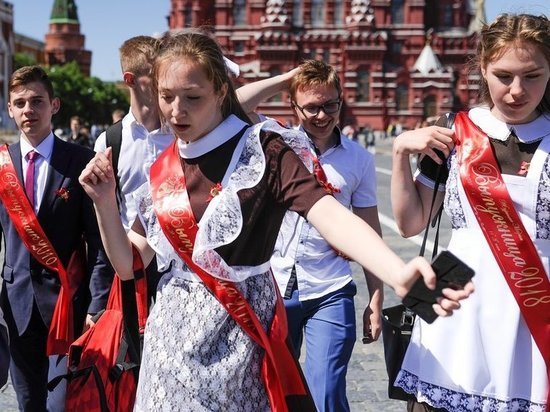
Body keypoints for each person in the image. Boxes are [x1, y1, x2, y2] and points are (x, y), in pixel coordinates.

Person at [79, 31, 473, 411]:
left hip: (238, 336)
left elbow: (329, 215)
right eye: (167, 97)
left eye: (192, 97)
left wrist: (398, 272)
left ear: (221, 91)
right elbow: (128, 262)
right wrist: (103, 204)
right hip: (170, 340)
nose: (176, 111)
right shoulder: (164, 164)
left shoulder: (261, 150)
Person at [390, 13, 550, 412]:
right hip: (456, 297)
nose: (516, 90)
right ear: (482, 68)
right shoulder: (454, 130)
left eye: (532, 76)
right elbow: (411, 224)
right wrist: (398, 154)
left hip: (535, 301)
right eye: (503, 75)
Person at [237, 59, 383, 411]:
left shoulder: (358, 159)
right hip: (274, 287)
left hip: (330, 288)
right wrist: (290, 78)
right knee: (272, 391)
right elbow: (233, 104)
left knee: (327, 391)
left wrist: (376, 297)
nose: (321, 115)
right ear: (294, 106)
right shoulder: (275, 141)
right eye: (311, 107)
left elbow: (369, 231)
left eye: (330, 105)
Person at [0, 65, 113, 411]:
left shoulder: (80, 161)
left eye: (37, 101)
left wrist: (97, 304)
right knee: (28, 400)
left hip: (69, 305)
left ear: (55, 105)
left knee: (68, 400)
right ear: (9, 109)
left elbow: (99, 244)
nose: (28, 110)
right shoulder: (1, 164)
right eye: (19, 103)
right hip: (15, 302)